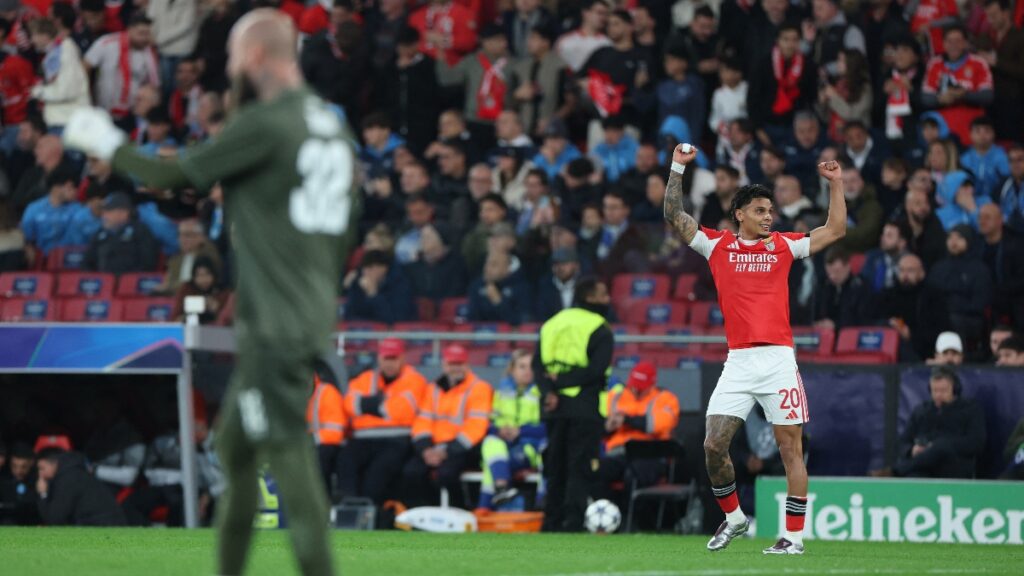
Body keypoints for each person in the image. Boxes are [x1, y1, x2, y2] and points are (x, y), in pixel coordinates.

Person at [62, 10, 357, 575]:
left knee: (287, 451)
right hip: (307, 308)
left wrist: (108, 142)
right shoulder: (329, 125)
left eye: (230, 57)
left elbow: (170, 176)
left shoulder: (268, 121)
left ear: (253, 57)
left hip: (276, 319)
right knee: (233, 450)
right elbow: (343, 224)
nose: (227, 67)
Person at [664, 142, 848, 554]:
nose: (769, 217)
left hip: (779, 358)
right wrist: (677, 166)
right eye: (761, 211)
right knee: (713, 445)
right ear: (740, 215)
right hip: (739, 361)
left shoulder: (783, 245)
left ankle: (794, 538)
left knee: (790, 449)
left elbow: (835, 231)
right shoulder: (717, 246)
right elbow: (674, 216)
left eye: (771, 211)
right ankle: (734, 519)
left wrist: (836, 184)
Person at [534, 277, 614, 532]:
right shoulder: (600, 327)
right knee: (579, 467)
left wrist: (550, 390)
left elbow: (538, 365)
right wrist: (566, 383)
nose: (608, 299)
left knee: (554, 466)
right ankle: (572, 523)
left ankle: (550, 521)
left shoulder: (552, 323)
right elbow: (596, 370)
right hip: (584, 406)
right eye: (603, 294)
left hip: (553, 407)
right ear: (589, 297)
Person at [403, 345, 493, 508]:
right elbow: (422, 422)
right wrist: (425, 449)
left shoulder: (479, 388)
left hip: (463, 448)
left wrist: (447, 451)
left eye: (459, 363)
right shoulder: (433, 389)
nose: (455, 368)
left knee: (447, 474)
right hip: (433, 447)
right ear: (444, 364)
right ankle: (424, 512)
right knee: (411, 472)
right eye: (452, 364)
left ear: (467, 365)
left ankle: (462, 510)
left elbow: (476, 427)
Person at [342, 338, 428, 505]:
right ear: (379, 358)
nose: (389, 364)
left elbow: (403, 409)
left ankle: (372, 518)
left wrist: (366, 405)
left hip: (397, 439)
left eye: (394, 359)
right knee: (344, 463)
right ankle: (348, 512)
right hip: (362, 439)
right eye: (386, 358)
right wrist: (384, 404)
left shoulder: (415, 379)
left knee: (375, 478)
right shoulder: (365, 378)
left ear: (403, 358)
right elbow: (348, 404)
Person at [593, 361, 680, 504]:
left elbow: (659, 424)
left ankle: (631, 521)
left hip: (649, 454)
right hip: (619, 453)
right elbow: (600, 429)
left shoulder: (666, 399)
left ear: (652, 383)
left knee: (633, 475)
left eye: (641, 387)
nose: (636, 390)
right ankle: (608, 514)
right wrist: (609, 426)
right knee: (597, 471)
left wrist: (626, 420)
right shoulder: (616, 396)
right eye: (634, 386)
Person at [477, 349, 546, 511]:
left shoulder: (544, 393)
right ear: (512, 370)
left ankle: (484, 507)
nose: (527, 371)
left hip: (531, 449)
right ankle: (501, 490)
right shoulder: (501, 393)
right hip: (504, 446)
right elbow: (489, 425)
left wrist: (520, 431)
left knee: (492, 464)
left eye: (531, 367)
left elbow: (547, 428)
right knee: (491, 442)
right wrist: (500, 430)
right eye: (522, 367)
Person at [894, 367, 986, 479]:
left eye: (943, 390)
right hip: (921, 468)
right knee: (915, 477)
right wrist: (912, 450)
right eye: (935, 390)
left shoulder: (970, 409)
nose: (938, 395)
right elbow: (903, 441)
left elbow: (976, 442)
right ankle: (904, 469)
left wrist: (943, 446)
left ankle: (898, 470)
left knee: (941, 446)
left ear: (954, 389)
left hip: (953, 465)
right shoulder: (921, 410)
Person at [921, 23, 994, 146]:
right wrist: (941, 99)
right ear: (943, 43)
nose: (953, 45)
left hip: (972, 135)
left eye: (958, 41)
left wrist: (963, 95)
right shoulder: (934, 64)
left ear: (965, 43)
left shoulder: (978, 63)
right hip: (943, 136)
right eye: (949, 41)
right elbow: (925, 98)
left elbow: (988, 96)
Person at [83, 13, 160, 120]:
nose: (145, 38)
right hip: (104, 111)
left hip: (131, 115)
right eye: (141, 33)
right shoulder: (107, 43)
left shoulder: (149, 53)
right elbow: (85, 66)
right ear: (129, 30)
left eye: (148, 34)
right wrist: (86, 97)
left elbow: (152, 86)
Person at [36, 449, 127, 526]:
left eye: (42, 468)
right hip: (107, 524)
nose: (40, 474)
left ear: (54, 464)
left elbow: (54, 519)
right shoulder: (74, 472)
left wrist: (43, 494)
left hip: (103, 528)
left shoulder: (68, 479)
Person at [83, 192, 160, 274]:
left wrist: (127, 280)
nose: (104, 216)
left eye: (108, 212)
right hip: (104, 283)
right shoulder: (100, 233)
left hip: (130, 282)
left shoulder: (140, 231)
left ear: (124, 213)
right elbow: (87, 262)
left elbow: (148, 263)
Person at [19, 162, 79, 261]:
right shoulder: (34, 209)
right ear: (56, 188)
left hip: (69, 261)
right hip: (40, 260)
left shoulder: (78, 210)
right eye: (70, 186)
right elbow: (26, 238)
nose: (74, 191)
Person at [307, 362, 347, 495]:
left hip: (325, 446)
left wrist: (308, 440)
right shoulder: (288, 395)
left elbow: (334, 433)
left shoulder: (327, 393)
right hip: (301, 447)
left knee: (321, 458)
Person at [171, 257, 230, 323]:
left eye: (207, 274)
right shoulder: (187, 289)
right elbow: (174, 317)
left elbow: (227, 320)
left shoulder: (222, 291)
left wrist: (217, 309)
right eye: (199, 275)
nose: (203, 279)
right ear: (193, 277)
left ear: (214, 275)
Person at [535, 247, 580, 322]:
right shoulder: (545, 287)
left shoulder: (584, 286)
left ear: (576, 265)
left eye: (564, 263)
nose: (560, 268)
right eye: (556, 264)